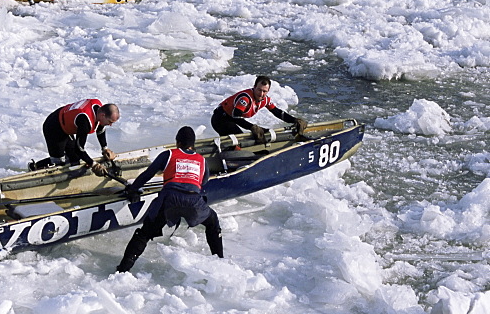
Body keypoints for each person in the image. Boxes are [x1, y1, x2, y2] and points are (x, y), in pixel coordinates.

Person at [116, 126, 223, 272]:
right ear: (193, 144)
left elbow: (147, 174)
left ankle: (123, 269)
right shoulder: (201, 161)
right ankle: (220, 263)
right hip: (193, 200)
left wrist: (133, 190)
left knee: (144, 233)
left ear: (177, 142)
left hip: (169, 199)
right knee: (212, 223)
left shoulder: (169, 154)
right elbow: (203, 182)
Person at [211, 75, 308, 144]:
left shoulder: (265, 99)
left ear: (268, 91)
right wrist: (253, 127)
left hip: (231, 119)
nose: (261, 94)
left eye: (264, 91)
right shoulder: (245, 99)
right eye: (259, 90)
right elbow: (236, 116)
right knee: (239, 139)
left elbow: (278, 112)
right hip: (220, 119)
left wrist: (294, 120)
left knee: (242, 137)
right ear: (254, 87)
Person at [29, 99, 119, 172]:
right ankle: (34, 166)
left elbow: (100, 128)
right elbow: (79, 148)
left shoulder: (98, 108)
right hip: (53, 127)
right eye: (110, 122)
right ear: (103, 115)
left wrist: (105, 148)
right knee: (59, 163)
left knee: (75, 158)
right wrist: (94, 164)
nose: (110, 125)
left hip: (65, 123)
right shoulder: (85, 121)